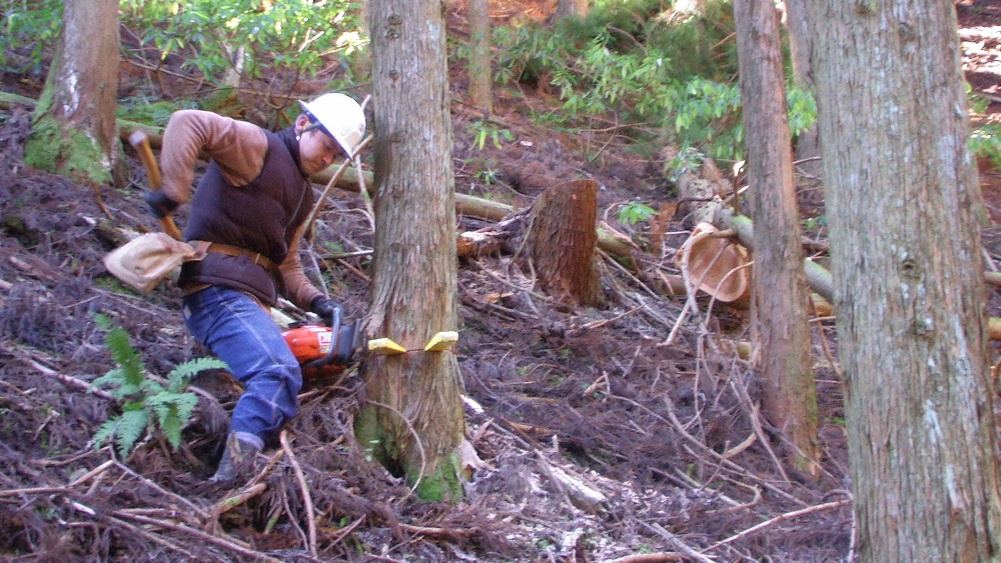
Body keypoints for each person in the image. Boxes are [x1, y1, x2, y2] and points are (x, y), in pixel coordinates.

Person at [145, 93, 366, 482]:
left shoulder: (302, 195)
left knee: (224, 394)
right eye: (326, 146)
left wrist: (319, 302)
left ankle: (191, 467)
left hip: (250, 299)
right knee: (276, 371)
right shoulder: (257, 146)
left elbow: (287, 263)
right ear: (302, 125)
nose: (327, 158)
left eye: (336, 155)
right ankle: (230, 480)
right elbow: (188, 120)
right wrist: (174, 190)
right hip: (218, 290)